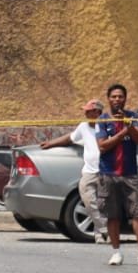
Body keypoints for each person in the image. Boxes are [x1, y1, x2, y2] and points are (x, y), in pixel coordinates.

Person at [97, 83, 138, 268]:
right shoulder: (103, 119)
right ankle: (116, 253)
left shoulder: (132, 117)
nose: (117, 100)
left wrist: (127, 124)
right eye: (114, 97)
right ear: (108, 99)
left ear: (125, 99)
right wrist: (123, 132)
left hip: (130, 174)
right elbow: (102, 145)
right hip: (108, 173)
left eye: (120, 97)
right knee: (112, 215)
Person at [41, 98, 107, 241]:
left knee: (102, 204)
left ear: (97, 112)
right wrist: (51, 143)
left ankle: (98, 233)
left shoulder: (107, 125)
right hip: (89, 171)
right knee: (88, 201)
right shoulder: (83, 126)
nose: (85, 114)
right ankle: (104, 228)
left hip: (106, 170)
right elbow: (69, 138)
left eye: (88, 111)